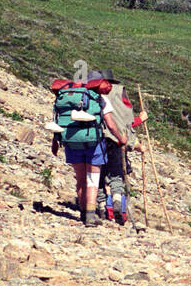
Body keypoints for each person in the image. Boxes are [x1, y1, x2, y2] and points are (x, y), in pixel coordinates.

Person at [50, 73, 124, 227]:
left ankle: (83, 214)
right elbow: (110, 124)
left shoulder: (66, 97)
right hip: (93, 143)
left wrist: (55, 142)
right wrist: (120, 138)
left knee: (81, 180)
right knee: (92, 180)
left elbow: (58, 119)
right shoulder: (99, 98)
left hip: (71, 141)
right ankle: (90, 216)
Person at [94, 70, 148, 226]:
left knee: (98, 175)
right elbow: (126, 122)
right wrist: (140, 119)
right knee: (117, 174)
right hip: (116, 140)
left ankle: (102, 206)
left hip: (95, 138)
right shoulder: (119, 91)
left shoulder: (91, 92)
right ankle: (117, 200)